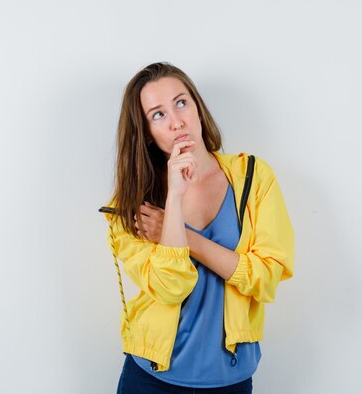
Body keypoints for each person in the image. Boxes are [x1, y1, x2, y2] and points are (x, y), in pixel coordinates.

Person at [100, 62, 294, 394]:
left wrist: (180, 235)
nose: (177, 121)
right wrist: (174, 197)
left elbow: (267, 276)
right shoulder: (130, 205)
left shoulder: (253, 177)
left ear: (197, 107)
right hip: (150, 379)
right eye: (158, 114)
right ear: (145, 131)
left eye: (181, 102)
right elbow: (170, 287)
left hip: (229, 380)